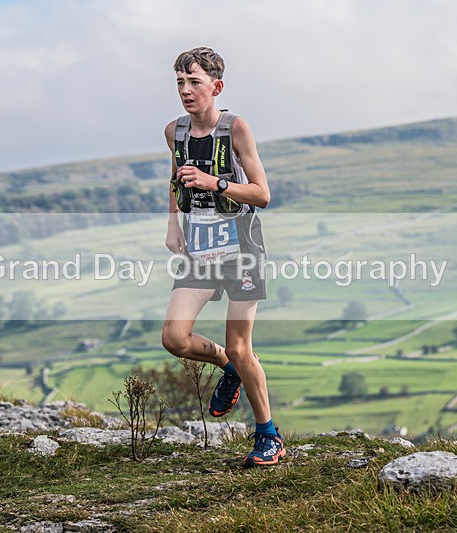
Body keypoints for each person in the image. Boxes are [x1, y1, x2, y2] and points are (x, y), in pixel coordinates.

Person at [161, 47, 285, 467]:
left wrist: (214, 183)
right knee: (174, 339)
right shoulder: (173, 131)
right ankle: (226, 366)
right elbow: (176, 180)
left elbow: (262, 194)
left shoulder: (236, 129)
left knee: (241, 344)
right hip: (199, 247)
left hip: (242, 246)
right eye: (180, 82)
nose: (185, 90)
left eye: (194, 82)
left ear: (216, 86)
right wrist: (173, 224)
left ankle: (269, 435)